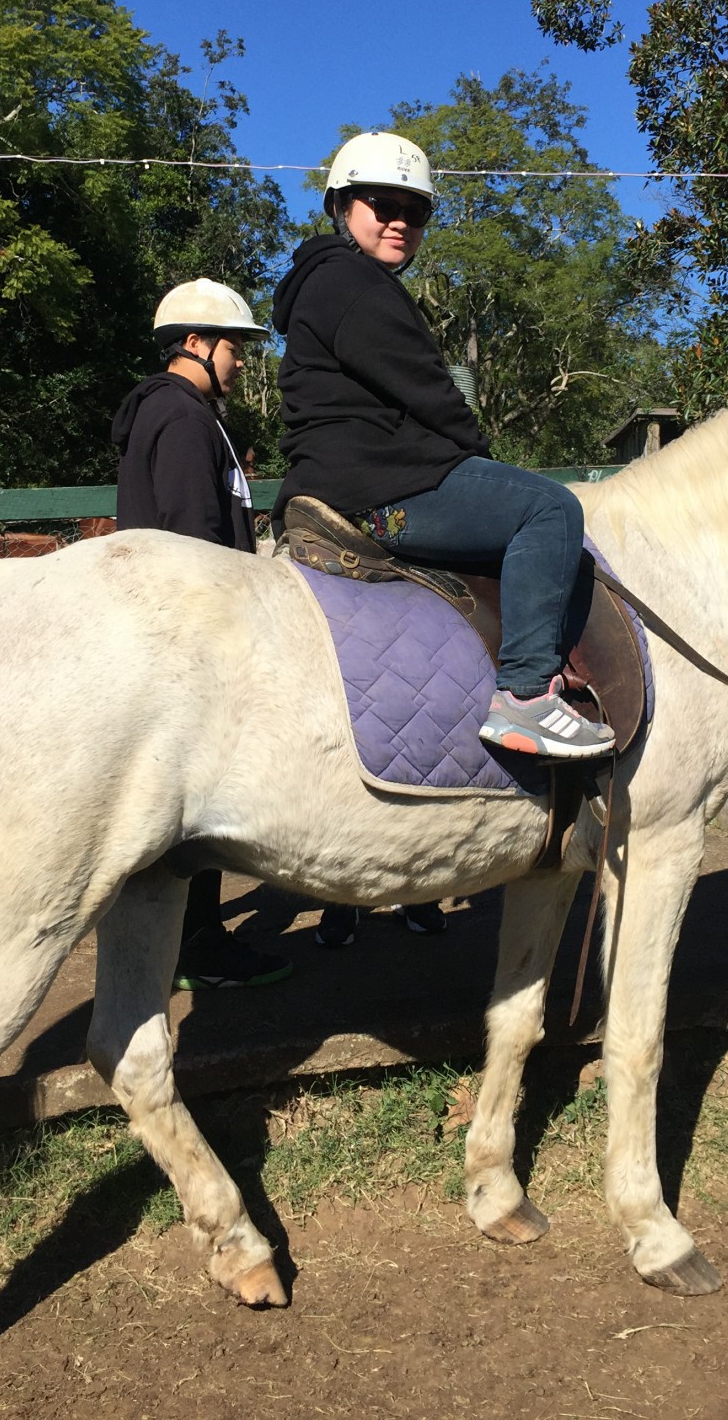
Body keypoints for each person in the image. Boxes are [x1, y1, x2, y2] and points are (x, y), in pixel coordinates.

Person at [272, 129, 614, 761]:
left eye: (416, 211)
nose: (400, 221)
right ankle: (524, 697)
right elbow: (431, 395)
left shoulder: (330, 281)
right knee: (550, 509)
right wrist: (478, 453)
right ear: (341, 207)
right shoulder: (352, 284)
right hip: (381, 487)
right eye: (383, 204)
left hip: (351, 477)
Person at [111, 277, 292, 990]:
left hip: (172, 626)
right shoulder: (183, 419)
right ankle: (197, 944)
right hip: (192, 631)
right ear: (194, 343)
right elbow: (194, 537)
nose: (240, 361)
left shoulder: (183, 414)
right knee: (206, 788)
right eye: (233, 347)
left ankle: (186, 936)